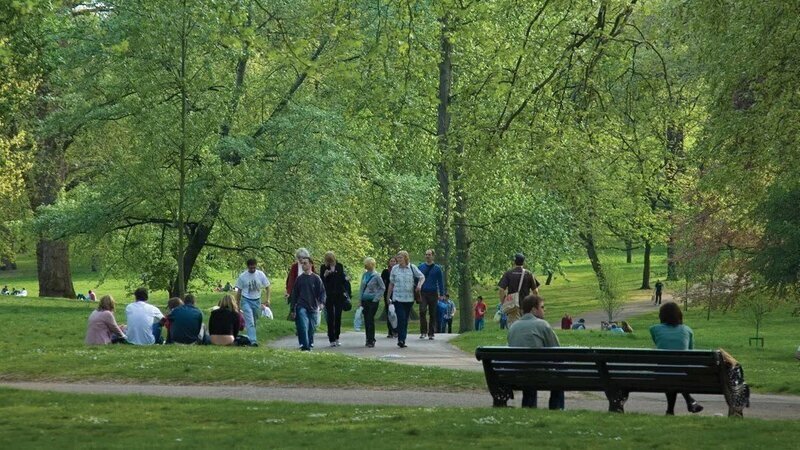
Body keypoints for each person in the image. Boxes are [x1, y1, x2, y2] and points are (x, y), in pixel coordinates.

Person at [507, 294, 565, 410]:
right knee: (559, 375)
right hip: (539, 374)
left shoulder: (513, 327)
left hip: (516, 375)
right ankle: (556, 409)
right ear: (534, 309)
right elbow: (557, 351)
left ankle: (528, 407)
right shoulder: (542, 325)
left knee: (529, 371)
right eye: (542, 307)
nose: (544, 310)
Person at [650, 302, 704, 415]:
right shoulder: (687, 330)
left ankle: (671, 410)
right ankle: (690, 401)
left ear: (662, 316)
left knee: (670, 374)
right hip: (682, 373)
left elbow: (658, 343)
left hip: (662, 373)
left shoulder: (654, 329)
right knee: (676, 374)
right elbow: (691, 351)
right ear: (679, 315)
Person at [387, 250, 425, 348]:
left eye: (401, 257)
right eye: (398, 257)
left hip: (409, 299)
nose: (399, 259)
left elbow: (422, 277)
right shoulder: (395, 269)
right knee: (401, 318)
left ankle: (402, 338)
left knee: (405, 319)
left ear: (405, 258)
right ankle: (401, 339)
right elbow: (391, 283)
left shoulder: (412, 267)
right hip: (397, 298)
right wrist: (388, 296)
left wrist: (419, 286)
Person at [289, 257, 326, 351]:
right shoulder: (299, 279)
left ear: (310, 264)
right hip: (301, 305)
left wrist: (322, 302)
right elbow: (294, 294)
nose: (303, 265)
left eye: (305, 263)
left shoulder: (316, 278)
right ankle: (304, 346)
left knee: (311, 328)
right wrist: (293, 309)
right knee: (303, 325)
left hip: (313, 306)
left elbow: (322, 292)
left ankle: (309, 343)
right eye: (302, 263)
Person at [235, 258, 271, 347]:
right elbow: (239, 291)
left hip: (257, 300)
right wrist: (237, 304)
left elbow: (267, 287)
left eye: (254, 268)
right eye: (251, 268)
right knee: (250, 321)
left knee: (254, 320)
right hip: (246, 300)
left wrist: (268, 299)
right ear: (247, 267)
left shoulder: (260, 274)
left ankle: (251, 337)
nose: (252, 269)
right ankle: (253, 341)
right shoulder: (243, 276)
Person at [498, 253, 540, 326]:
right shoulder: (528, 274)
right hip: (526, 306)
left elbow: (501, 289)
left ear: (514, 262)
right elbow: (535, 291)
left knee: (513, 327)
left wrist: (503, 302)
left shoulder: (508, 273)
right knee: (526, 326)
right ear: (524, 262)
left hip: (513, 305)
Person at [320, 251, 350, 347]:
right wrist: (325, 275)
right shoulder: (323, 267)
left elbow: (342, 280)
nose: (330, 263)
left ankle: (337, 336)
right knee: (330, 317)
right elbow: (321, 282)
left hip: (339, 294)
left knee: (338, 316)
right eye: (328, 261)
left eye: (331, 261)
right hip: (328, 295)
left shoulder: (339, 266)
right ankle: (331, 338)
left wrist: (346, 279)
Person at [418, 249, 446, 340]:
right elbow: (417, 278)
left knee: (433, 313)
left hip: (433, 293)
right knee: (422, 311)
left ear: (433, 256)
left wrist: (442, 294)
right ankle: (423, 331)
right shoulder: (420, 267)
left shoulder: (437, 268)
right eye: (426, 254)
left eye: (429, 255)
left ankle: (431, 332)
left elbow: (440, 282)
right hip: (423, 292)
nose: (427, 256)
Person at [359, 257, 386, 348]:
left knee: (370, 319)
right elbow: (361, 288)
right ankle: (368, 338)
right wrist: (360, 300)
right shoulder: (364, 275)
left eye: (367, 264)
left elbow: (382, 287)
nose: (366, 266)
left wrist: (376, 298)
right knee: (366, 320)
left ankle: (371, 339)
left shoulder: (377, 276)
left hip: (373, 301)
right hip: (365, 300)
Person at [381, 256, 398, 338]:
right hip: (388, 294)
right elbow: (382, 283)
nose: (393, 263)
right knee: (390, 312)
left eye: (394, 261)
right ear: (389, 262)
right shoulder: (385, 272)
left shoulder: (398, 271)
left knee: (396, 312)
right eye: (391, 261)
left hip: (397, 294)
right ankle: (390, 331)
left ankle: (396, 330)